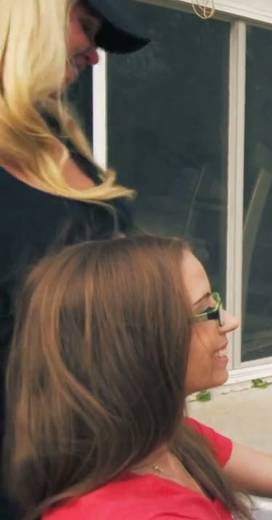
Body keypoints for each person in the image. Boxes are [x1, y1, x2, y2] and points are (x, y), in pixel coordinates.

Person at [5, 235, 272, 520]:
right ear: (140, 342)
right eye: (206, 311)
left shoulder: (167, 440)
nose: (231, 321)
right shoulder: (126, 510)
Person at [0, 1, 149, 515]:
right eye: (87, 27)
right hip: (20, 477)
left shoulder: (53, 137)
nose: (95, 56)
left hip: (93, 455)